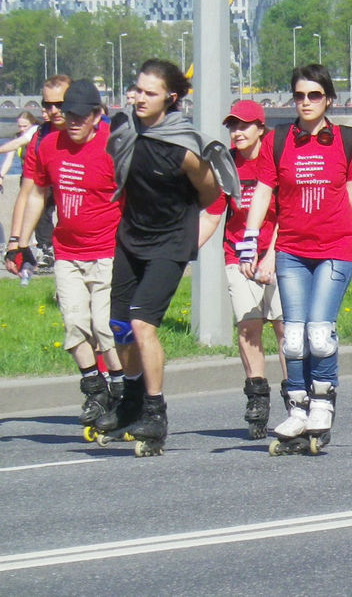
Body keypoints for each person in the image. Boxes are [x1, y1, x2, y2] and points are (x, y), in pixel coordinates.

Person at [241, 64, 352, 456]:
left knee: (319, 332)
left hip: (336, 248)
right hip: (291, 248)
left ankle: (322, 402)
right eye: (300, 95)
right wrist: (249, 240)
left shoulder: (345, 139)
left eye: (315, 95)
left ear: (329, 99)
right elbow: (264, 192)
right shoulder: (278, 140)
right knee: (293, 336)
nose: (306, 102)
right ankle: (298, 408)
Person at [98, 59, 239, 457]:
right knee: (119, 325)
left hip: (170, 242)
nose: (139, 98)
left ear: (171, 98)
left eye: (149, 93)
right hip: (131, 237)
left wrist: (195, 238)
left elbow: (212, 197)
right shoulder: (123, 128)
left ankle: (155, 412)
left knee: (142, 324)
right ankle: (129, 400)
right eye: (137, 89)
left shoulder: (184, 150)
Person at [11, 80, 126, 427]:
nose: (71, 121)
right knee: (75, 326)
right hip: (67, 252)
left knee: (106, 328)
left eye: (79, 115)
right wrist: (20, 243)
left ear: (96, 115)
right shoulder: (48, 147)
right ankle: (95, 389)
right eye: (68, 115)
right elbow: (36, 194)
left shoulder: (113, 147)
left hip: (108, 251)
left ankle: (123, 394)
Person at [199, 99, 287, 439]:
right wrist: (181, 251)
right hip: (238, 255)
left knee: (283, 329)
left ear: (260, 129)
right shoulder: (227, 167)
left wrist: (272, 256)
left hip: (279, 253)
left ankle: (294, 399)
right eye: (232, 126)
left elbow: (287, 214)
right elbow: (212, 214)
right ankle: (257, 398)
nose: (237, 132)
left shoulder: (275, 161)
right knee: (248, 326)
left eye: (244, 125)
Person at [5, 76, 70, 273]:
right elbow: (27, 193)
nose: (54, 111)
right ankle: (46, 250)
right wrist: (15, 243)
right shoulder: (41, 137)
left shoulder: (96, 132)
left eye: (60, 104)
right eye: (47, 105)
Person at [0, 111, 39, 190]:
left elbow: (16, 144)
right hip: (26, 176)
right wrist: (1, 176)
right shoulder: (17, 137)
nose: (22, 129)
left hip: (39, 177)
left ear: (33, 124)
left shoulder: (38, 134)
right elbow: (9, 159)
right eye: (20, 126)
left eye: (25, 126)